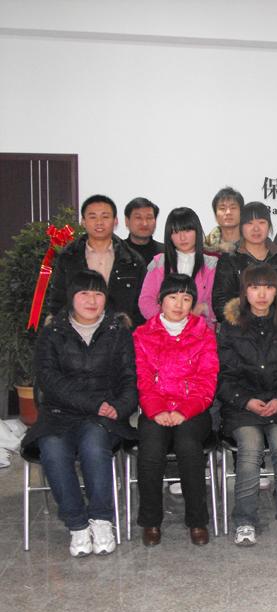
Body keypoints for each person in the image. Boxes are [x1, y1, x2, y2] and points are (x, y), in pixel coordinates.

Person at [21, 270, 138, 557]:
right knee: (52, 449)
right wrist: (93, 404)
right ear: (71, 298)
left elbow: (130, 379)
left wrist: (120, 407)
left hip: (103, 416)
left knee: (94, 446)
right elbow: (49, 380)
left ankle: (101, 520)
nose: (91, 300)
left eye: (98, 294)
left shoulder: (118, 331)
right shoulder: (52, 332)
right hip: (59, 413)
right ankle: (77, 525)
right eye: (84, 293)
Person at [218, 263, 277, 545]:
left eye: (268, 287)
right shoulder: (230, 326)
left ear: (276, 291)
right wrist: (245, 401)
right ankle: (244, 521)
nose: (261, 294)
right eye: (254, 287)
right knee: (250, 448)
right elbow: (223, 376)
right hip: (242, 408)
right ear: (244, 292)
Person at [133, 274, 219, 546]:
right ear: (160, 301)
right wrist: (157, 409)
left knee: (188, 446)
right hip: (155, 409)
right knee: (150, 448)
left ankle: (197, 521)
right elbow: (143, 379)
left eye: (186, 299)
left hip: (193, 410)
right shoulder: (143, 335)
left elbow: (207, 380)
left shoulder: (203, 333)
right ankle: (150, 521)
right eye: (173, 297)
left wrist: (184, 410)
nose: (179, 305)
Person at [48, 194, 146, 327]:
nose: (99, 222)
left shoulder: (133, 260)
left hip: (120, 333)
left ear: (115, 221)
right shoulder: (69, 256)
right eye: (93, 217)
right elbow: (58, 300)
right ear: (83, 221)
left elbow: (141, 305)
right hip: (77, 332)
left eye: (105, 217)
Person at [212, 201, 277, 323]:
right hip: (240, 328)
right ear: (241, 227)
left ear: (269, 226)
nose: (256, 228)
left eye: (261, 222)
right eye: (249, 223)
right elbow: (221, 303)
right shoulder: (230, 258)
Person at [139, 207, 218, 328]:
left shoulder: (212, 265)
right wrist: (166, 321)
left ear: (197, 231)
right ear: (169, 236)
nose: (182, 237)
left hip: (200, 332)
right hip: (162, 332)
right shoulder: (159, 263)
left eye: (187, 230)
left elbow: (218, 304)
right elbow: (146, 300)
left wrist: (203, 308)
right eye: (176, 232)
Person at [124, 197, 164, 265]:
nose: (144, 223)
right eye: (138, 217)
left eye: (149, 218)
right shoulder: (117, 252)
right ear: (127, 221)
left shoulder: (165, 253)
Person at [204, 186, 243, 255]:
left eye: (233, 207)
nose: (228, 212)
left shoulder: (254, 243)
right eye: (222, 208)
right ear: (215, 216)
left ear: (242, 213)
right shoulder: (204, 248)